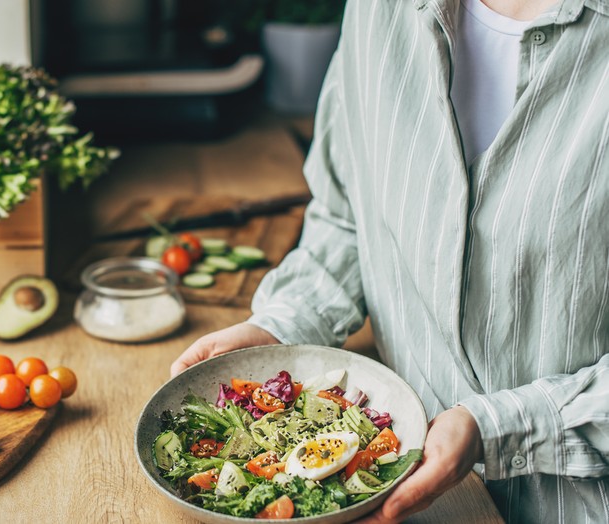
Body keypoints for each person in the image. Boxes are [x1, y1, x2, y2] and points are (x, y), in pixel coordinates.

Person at [171, 0, 609, 522]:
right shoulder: (379, 9)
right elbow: (350, 215)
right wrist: (285, 321)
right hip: (393, 496)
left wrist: (497, 427)